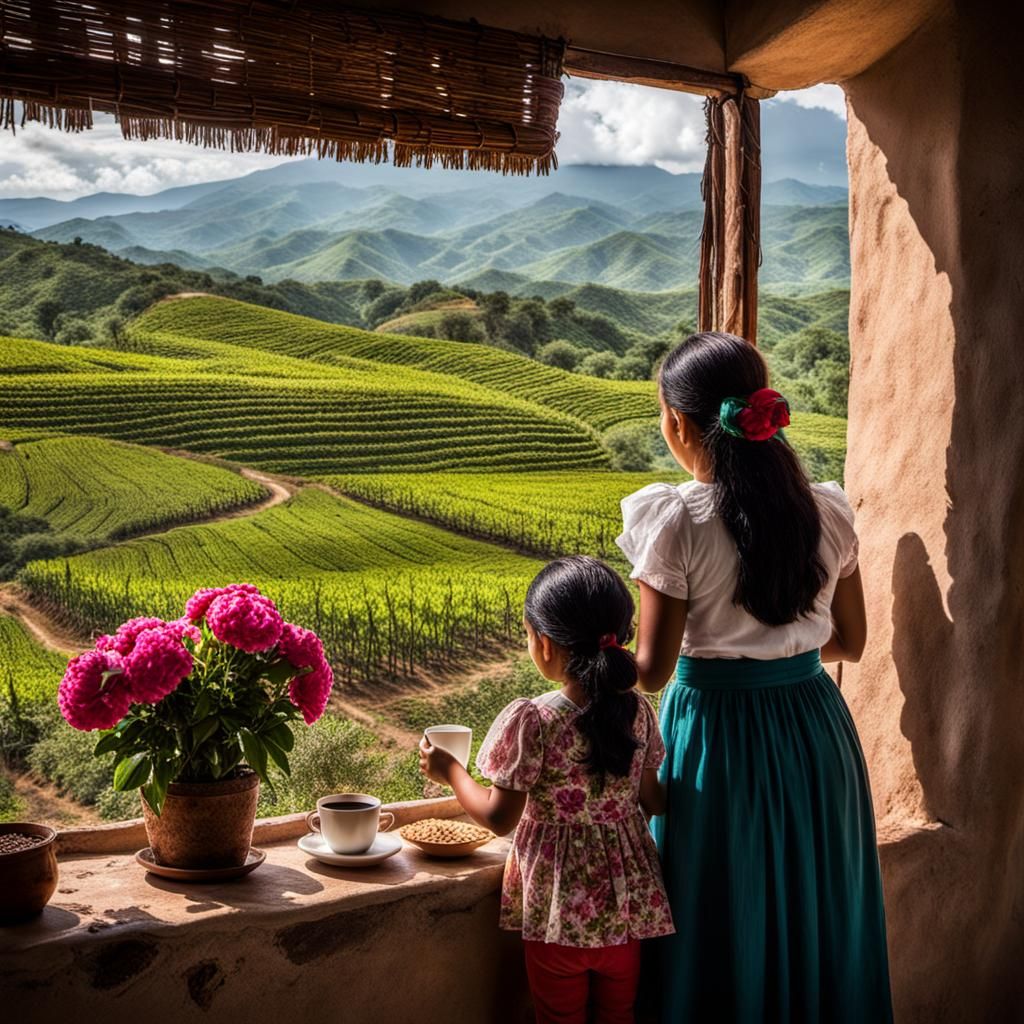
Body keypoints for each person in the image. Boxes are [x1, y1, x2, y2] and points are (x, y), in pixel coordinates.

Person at [617, 331, 893, 1023]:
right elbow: (851, 643)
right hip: (814, 730)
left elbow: (651, 671)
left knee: (723, 908)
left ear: (677, 423)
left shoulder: (677, 520)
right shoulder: (825, 509)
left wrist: (585, 663)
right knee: (814, 898)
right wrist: (779, 645)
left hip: (718, 736)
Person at [418, 555, 674, 1024]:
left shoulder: (534, 719)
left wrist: (451, 771)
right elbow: (654, 799)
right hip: (624, 913)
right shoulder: (639, 710)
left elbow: (499, 819)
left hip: (556, 912)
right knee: (621, 1015)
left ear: (546, 644)